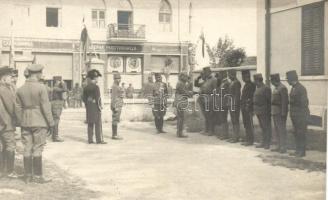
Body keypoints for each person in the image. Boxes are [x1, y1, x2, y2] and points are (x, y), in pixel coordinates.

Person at [16, 64, 54, 184]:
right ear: (37, 74)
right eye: (41, 73)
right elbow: (45, 106)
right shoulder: (41, 87)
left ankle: (27, 176)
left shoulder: (20, 89)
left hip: (25, 122)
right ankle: (38, 176)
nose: (41, 75)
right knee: (38, 148)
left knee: (27, 147)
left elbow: (17, 107)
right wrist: (51, 123)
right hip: (39, 121)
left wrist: (20, 121)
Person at [0, 66, 21, 178]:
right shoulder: (4, 89)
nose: (11, 79)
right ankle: (10, 171)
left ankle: (2, 170)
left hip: (1, 123)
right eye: (9, 77)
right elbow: (12, 107)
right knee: (10, 146)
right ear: (3, 78)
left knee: (3, 146)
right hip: (6, 123)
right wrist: (19, 120)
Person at [286, 70, 309, 157]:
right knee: (296, 133)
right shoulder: (293, 88)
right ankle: (298, 150)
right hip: (295, 115)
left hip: (301, 116)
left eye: (288, 79)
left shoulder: (301, 88)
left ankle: (302, 152)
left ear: (292, 79)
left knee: (301, 133)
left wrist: (301, 116)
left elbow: (304, 103)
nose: (287, 80)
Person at [83, 69, 106, 144]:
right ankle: (99, 140)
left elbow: (83, 98)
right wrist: (100, 107)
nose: (97, 79)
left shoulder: (86, 87)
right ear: (95, 78)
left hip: (89, 107)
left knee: (90, 123)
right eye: (97, 78)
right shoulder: (96, 87)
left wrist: (87, 104)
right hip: (96, 107)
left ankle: (90, 140)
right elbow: (98, 99)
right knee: (97, 123)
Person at [195, 67, 217, 136]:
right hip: (203, 99)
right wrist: (198, 77)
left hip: (210, 98)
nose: (204, 73)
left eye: (205, 72)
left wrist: (214, 100)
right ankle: (206, 129)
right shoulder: (205, 80)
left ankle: (211, 131)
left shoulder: (214, 79)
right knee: (206, 115)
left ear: (209, 72)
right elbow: (197, 85)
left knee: (210, 115)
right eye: (203, 72)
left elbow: (215, 90)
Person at [270, 74, 288, 153]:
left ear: (275, 80)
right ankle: (278, 145)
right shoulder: (275, 88)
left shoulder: (282, 88)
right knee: (276, 129)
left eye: (272, 80)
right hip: (275, 111)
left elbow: (285, 101)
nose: (271, 82)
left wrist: (284, 113)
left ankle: (283, 147)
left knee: (281, 130)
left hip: (280, 112)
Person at [253, 73, 272, 149]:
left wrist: (268, 112)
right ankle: (263, 142)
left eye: (255, 81)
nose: (254, 82)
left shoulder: (266, 88)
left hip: (264, 111)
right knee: (263, 127)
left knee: (266, 127)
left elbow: (269, 101)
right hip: (259, 111)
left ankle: (267, 143)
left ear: (258, 80)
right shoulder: (258, 88)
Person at [174, 72, 193, 138]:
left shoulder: (181, 83)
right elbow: (184, 92)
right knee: (181, 118)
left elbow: (185, 90)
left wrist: (189, 83)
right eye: (185, 77)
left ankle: (179, 132)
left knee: (180, 117)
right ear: (181, 77)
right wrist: (191, 93)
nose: (186, 78)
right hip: (180, 101)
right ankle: (180, 133)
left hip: (180, 101)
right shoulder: (180, 83)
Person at [240, 70, 256, 146]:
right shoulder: (246, 85)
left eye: (245, 76)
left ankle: (250, 140)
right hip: (244, 107)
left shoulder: (251, 85)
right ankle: (248, 139)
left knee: (249, 124)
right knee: (246, 124)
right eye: (243, 77)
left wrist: (249, 106)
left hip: (248, 107)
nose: (244, 78)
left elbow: (252, 97)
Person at [50, 76, 67, 142]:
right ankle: (55, 136)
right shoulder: (56, 88)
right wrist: (63, 83)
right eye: (60, 81)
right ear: (57, 81)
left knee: (55, 120)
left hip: (56, 104)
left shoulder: (55, 88)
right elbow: (65, 89)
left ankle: (54, 135)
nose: (60, 82)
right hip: (56, 105)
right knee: (56, 120)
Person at [227, 69, 241, 143]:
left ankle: (236, 137)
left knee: (235, 120)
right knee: (233, 121)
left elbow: (237, 95)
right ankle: (235, 136)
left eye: (229, 74)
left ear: (232, 74)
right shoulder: (232, 82)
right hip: (231, 104)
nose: (228, 76)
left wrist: (234, 105)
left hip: (234, 104)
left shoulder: (236, 83)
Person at [111, 73, 124, 140]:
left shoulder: (117, 86)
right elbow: (113, 97)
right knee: (115, 119)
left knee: (116, 119)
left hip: (119, 105)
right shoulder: (115, 87)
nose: (118, 80)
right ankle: (114, 135)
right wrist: (115, 106)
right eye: (117, 79)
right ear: (114, 79)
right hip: (116, 105)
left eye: (119, 78)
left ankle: (115, 134)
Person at [218, 71, 231, 140]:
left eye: (220, 74)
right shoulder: (223, 83)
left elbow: (227, 94)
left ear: (223, 75)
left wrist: (226, 102)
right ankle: (224, 134)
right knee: (222, 118)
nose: (219, 76)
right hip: (222, 102)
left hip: (224, 103)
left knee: (224, 118)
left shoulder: (226, 83)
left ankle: (225, 134)